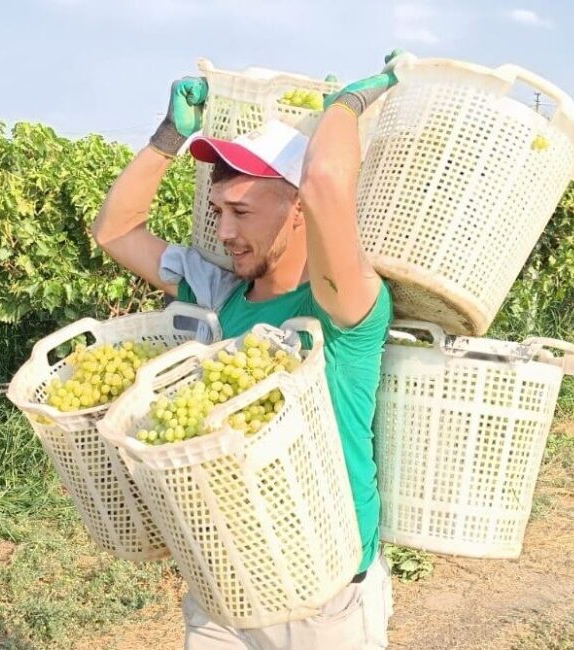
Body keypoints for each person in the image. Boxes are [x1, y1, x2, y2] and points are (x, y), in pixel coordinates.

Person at [91, 53, 404, 649]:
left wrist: (347, 106)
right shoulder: (219, 294)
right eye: (217, 211)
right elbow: (116, 231)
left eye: (241, 212)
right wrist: (168, 137)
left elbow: (326, 180)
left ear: (299, 209)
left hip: (322, 588)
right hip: (226, 576)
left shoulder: (342, 306)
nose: (226, 232)